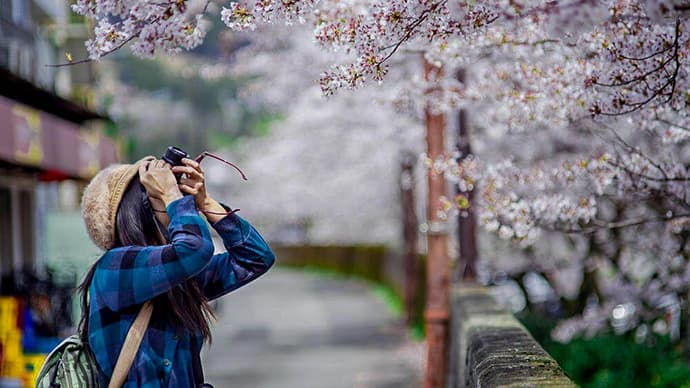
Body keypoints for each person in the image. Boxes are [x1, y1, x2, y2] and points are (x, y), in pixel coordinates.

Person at [78, 156, 275, 387]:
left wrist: (206, 203)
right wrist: (172, 196)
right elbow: (195, 250)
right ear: (136, 211)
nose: (176, 200)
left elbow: (256, 258)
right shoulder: (115, 267)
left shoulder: (173, 277)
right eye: (157, 194)